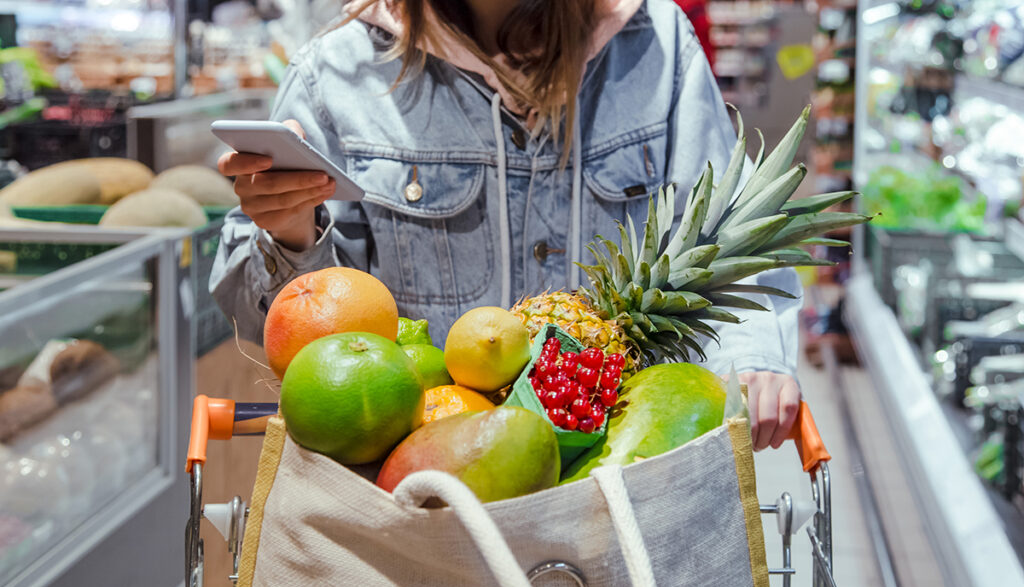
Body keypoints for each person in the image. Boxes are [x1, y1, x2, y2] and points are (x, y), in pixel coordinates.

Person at [210, 0, 802, 451]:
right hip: (421, 491)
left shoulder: (656, 42)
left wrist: (754, 356)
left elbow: (724, 225)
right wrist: (290, 235)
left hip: (628, 468)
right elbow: (306, 340)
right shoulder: (338, 71)